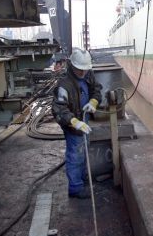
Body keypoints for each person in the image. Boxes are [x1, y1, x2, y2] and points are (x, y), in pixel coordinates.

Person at [52, 49, 102, 199]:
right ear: (72, 66)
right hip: (73, 125)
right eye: (80, 70)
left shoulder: (88, 74)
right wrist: (74, 122)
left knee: (84, 150)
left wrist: (94, 101)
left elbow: (96, 89)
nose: (82, 73)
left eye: (85, 70)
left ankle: (82, 178)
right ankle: (75, 188)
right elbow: (59, 109)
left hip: (84, 120)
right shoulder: (64, 85)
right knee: (75, 155)